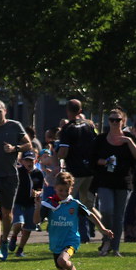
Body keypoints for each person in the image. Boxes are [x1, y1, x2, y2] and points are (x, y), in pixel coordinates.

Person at [35, 172, 112, 270]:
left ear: (71, 189)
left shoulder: (74, 204)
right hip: (56, 243)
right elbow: (35, 221)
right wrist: (38, 206)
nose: (63, 193)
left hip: (71, 241)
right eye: (60, 190)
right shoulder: (49, 204)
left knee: (62, 261)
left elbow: (91, 215)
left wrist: (103, 229)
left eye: (66, 190)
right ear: (55, 188)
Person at [0, 100, 31, 261]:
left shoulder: (15, 126)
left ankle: (4, 240)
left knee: (7, 212)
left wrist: (14, 148)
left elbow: (28, 145)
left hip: (9, 175)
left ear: (5, 111)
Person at [90, 108, 136, 257]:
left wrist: (129, 141)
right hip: (105, 181)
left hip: (124, 182)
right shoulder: (101, 139)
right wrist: (104, 162)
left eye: (117, 120)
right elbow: (92, 159)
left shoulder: (129, 138)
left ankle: (115, 248)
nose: (114, 122)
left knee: (119, 216)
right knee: (106, 209)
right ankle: (106, 240)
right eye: (111, 119)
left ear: (123, 121)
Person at [57, 99, 98, 242]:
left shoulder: (67, 129)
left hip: (75, 173)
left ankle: (66, 236)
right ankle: (106, 229)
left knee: (67, 205)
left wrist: (56, 153)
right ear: (80, 111)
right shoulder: (89, 125)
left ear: (67, 111)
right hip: (90, 171)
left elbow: (63, 152)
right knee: (88, 206)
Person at [8, 151, 45, 257]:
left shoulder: (38, 173)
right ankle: (14, 236)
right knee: (19, 223)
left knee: (28, 228)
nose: (29, 163)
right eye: (27, 160)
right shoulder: (18, 172)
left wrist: (37, 193)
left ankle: (20, 249)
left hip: (31, 203)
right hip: (19, 202)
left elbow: (40, 188)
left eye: (31, 160)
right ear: (22, 161)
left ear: (36, 160)